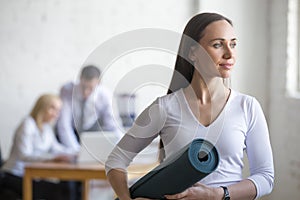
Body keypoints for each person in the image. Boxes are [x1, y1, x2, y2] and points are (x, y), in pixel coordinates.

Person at [105, 12, 274, 200]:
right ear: (193, 52)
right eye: (218, 44)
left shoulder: (247, 107)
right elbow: (116, 160)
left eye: (233, 44)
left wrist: (217, 194)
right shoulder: (165, 108)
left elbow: (265, 177)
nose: (229, 54)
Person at [1, 94, 77, 200]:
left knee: (67, 187)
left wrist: (76, 152)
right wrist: (52, 158)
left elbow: (57, 148)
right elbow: (25, 156)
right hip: (14, 174)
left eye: (58, 111)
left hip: (30, 176)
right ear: (42, 107)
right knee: (59, 191)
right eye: (53, 108)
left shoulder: (46, 128)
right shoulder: (27, 124)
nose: (56, 114)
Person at [56, 65, 121, 152]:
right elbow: (64, 124)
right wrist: (76, 151)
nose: (85, 92)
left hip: (92, 132)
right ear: (80, 78)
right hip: (71, 132)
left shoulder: (105, 95)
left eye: (90, 88)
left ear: (99, 83)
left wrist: (121, 148)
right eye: (83, 87)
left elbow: (113, 125)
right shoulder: (67, 90)